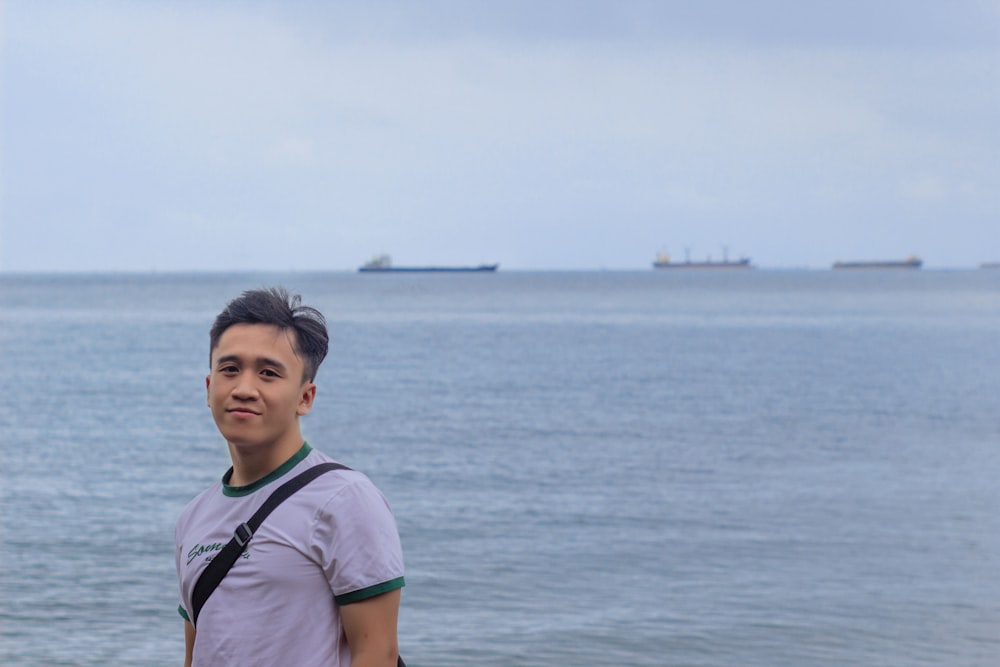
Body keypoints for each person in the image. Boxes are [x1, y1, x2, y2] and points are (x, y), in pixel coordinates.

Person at [175, 287, 405, 667]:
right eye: (229, 369)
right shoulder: (193, 518)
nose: (244, 389)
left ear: (305, 397)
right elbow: (196, 654)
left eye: (268, 373)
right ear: (209, 387)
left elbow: (377, 653)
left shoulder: (345, 500)